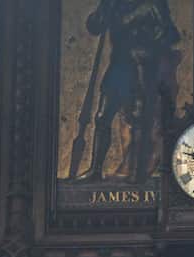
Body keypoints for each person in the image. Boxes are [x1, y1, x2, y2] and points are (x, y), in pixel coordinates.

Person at [75, 1, 181, 184]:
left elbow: (171, 34)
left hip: (143, 66)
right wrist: (99, 16)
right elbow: (95, 27)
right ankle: (96, 170)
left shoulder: (153, 4)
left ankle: (137, 173)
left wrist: (150, 44)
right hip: (119, 66)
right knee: (102, 117)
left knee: (139, 119)